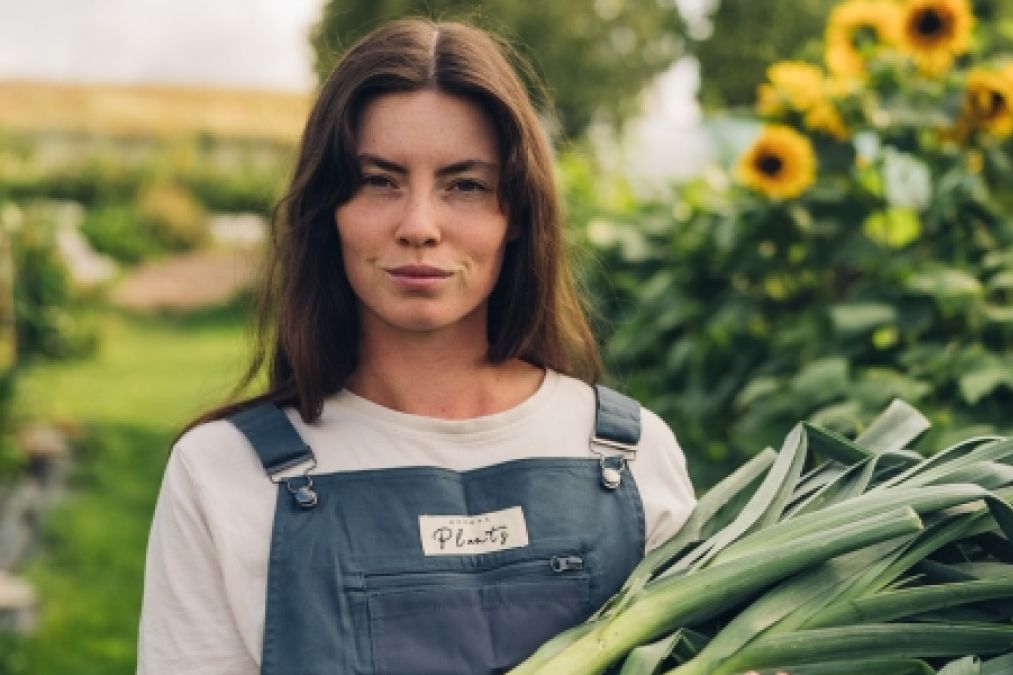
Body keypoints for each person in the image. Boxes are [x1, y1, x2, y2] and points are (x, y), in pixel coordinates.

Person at [136, 17, 695, 675]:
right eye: (379, 180)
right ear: (329, 208)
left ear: (514, 214)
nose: (419, 225)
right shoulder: (223, 473)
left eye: (465, 185)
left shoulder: (630, 455)